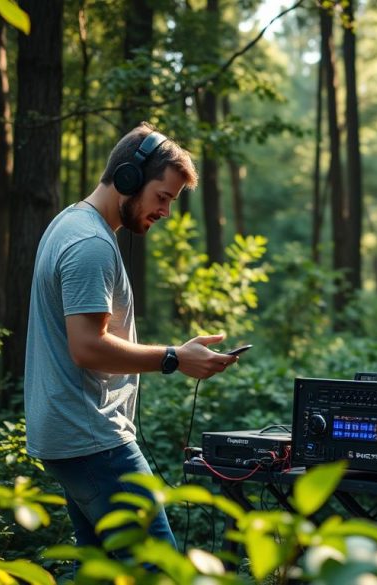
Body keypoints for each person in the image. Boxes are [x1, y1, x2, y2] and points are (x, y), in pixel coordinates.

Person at [24, 122, 239, 553]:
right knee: (158, 569)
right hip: (93, 441)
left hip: (72, 437)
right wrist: (175, 357)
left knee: (101, 570)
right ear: (128, 178)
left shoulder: (70, 224)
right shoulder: (90, 244)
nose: (165, 211)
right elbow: (87, 347)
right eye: (162, 197)